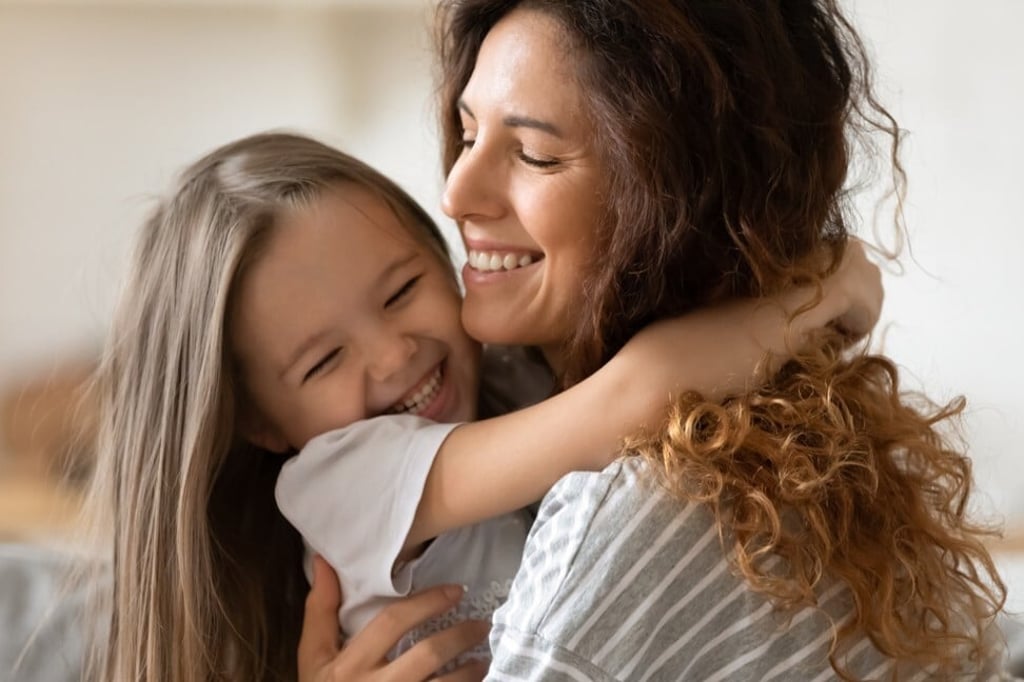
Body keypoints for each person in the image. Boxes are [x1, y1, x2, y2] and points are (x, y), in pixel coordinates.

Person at [299, 0, 1007, 679]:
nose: (455, 193)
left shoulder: (628, 515)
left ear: (677, 200)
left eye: (535, 155)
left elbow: (635, 392)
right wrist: (823, 288)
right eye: (467, 133)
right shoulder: (783, 422)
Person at [81, 131, 878, 682]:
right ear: (260, 423)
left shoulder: (505, 385)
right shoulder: (336, 481)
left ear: (447, 260)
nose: (393, 354)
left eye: (402, 291)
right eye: (324, 361)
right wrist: (830, 288)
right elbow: (634, 397)